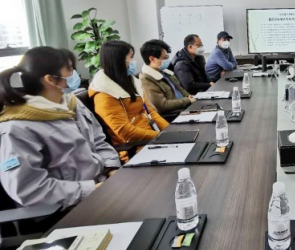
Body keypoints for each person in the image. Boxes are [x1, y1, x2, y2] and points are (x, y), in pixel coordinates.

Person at [0, 47, 120, 207]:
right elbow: (29, 189)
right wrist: (91, 189)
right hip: (67, 207)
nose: (74, 74)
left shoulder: (72, 104)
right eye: (69, 70)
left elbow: (98, 141)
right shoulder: (17, 127)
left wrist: (112, 168)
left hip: (102, 187)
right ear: (50, 79)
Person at [89, 40, 169, 162]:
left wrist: (169, 131)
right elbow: (124, 131)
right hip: (135, 148)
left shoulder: (129, 81)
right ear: (118, 60)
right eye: (131, 57)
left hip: (152, 138)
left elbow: (150, 111)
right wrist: (161, 136)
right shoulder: (104, 92)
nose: (133, 61)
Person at [139, 39, 195, 115]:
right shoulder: (146, 79)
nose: (167, 60)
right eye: (164, 58)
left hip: (185, 106)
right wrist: (187, 100)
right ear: (152, 59)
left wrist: (188, 96)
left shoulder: (165, 72)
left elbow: (180, 89)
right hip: (174, 113)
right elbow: (162, 105)